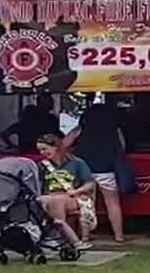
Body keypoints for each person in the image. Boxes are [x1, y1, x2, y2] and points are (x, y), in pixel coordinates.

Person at [66, 104, 129, 243]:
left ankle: (85, 236)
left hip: (84, 170)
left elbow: (64, 144)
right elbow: (122, 147)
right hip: (106, 169)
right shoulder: (114, 129)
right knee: (112, 203)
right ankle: (119, 235)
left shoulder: (81, 129)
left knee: (86, 204)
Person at [36, 134, 96, 250]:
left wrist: (77, 191)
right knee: (44, 200)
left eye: (44, 149)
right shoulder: (42, 166)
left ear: (56, 147)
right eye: (40, 150)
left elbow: (90, 184)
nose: (42, 153)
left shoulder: (76, 163)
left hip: (72, 196)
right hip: (49, 196)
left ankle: (64, 238)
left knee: (56, 201)